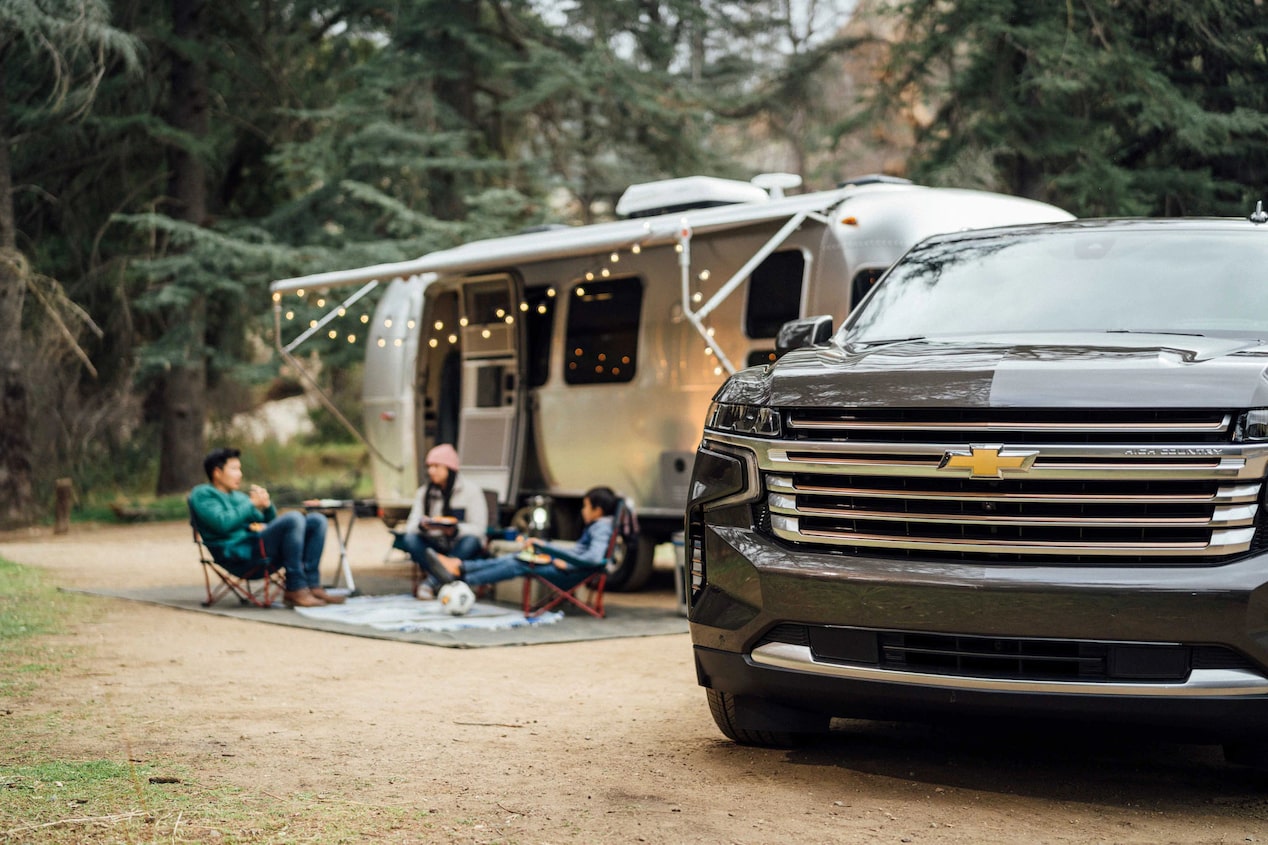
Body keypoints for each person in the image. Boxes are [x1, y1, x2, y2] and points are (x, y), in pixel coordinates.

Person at [189, 447, 340, 609]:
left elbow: (273, 525)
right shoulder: (203, 494)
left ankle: (311, 585)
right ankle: (295, 587)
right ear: (217, 472)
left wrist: (267, 507)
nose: (240, 474)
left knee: (317, 520)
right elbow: (221, 523)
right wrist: (251, 503)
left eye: (240, 469)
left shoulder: (238, 497)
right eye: (234, 469)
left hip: (258, 548)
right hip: (238, 555)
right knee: (294, 517)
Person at [426, 486, 617, 591]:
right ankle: (460, 568)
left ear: (598, 510)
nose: (583, 511)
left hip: (570, 573)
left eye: (585, 506)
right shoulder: (600, 526)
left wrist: (567, 564)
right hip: (568, 567)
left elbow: (593, 558)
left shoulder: (601, 528)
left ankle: (462, 578)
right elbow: (583, 553)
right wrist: (548, 547)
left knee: (518, 564)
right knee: (518, 557)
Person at [393, 443, 489, 594]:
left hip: (460, 545)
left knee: (472, 541)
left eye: (437, 466)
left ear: (449, 468)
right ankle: (445, 578)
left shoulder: (471, 491)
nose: (431, 471)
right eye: (429, 466)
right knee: (410, 539)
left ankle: (432, 582)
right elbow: (410, 526)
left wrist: (456, 530)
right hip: (435, 544)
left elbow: (479, 528)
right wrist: (424, 526)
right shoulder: (424, 493)